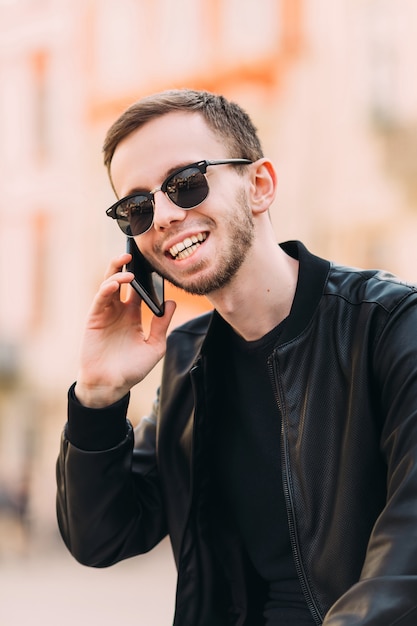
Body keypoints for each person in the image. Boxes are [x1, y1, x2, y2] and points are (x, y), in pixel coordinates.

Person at [56, 88, 417, 626]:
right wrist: (98, 395)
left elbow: (406, 562)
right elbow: (103, 535)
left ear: (260, 185)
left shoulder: (391, 325)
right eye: (137, 206)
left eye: (185, 183)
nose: (163, 217)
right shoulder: (187, 358)